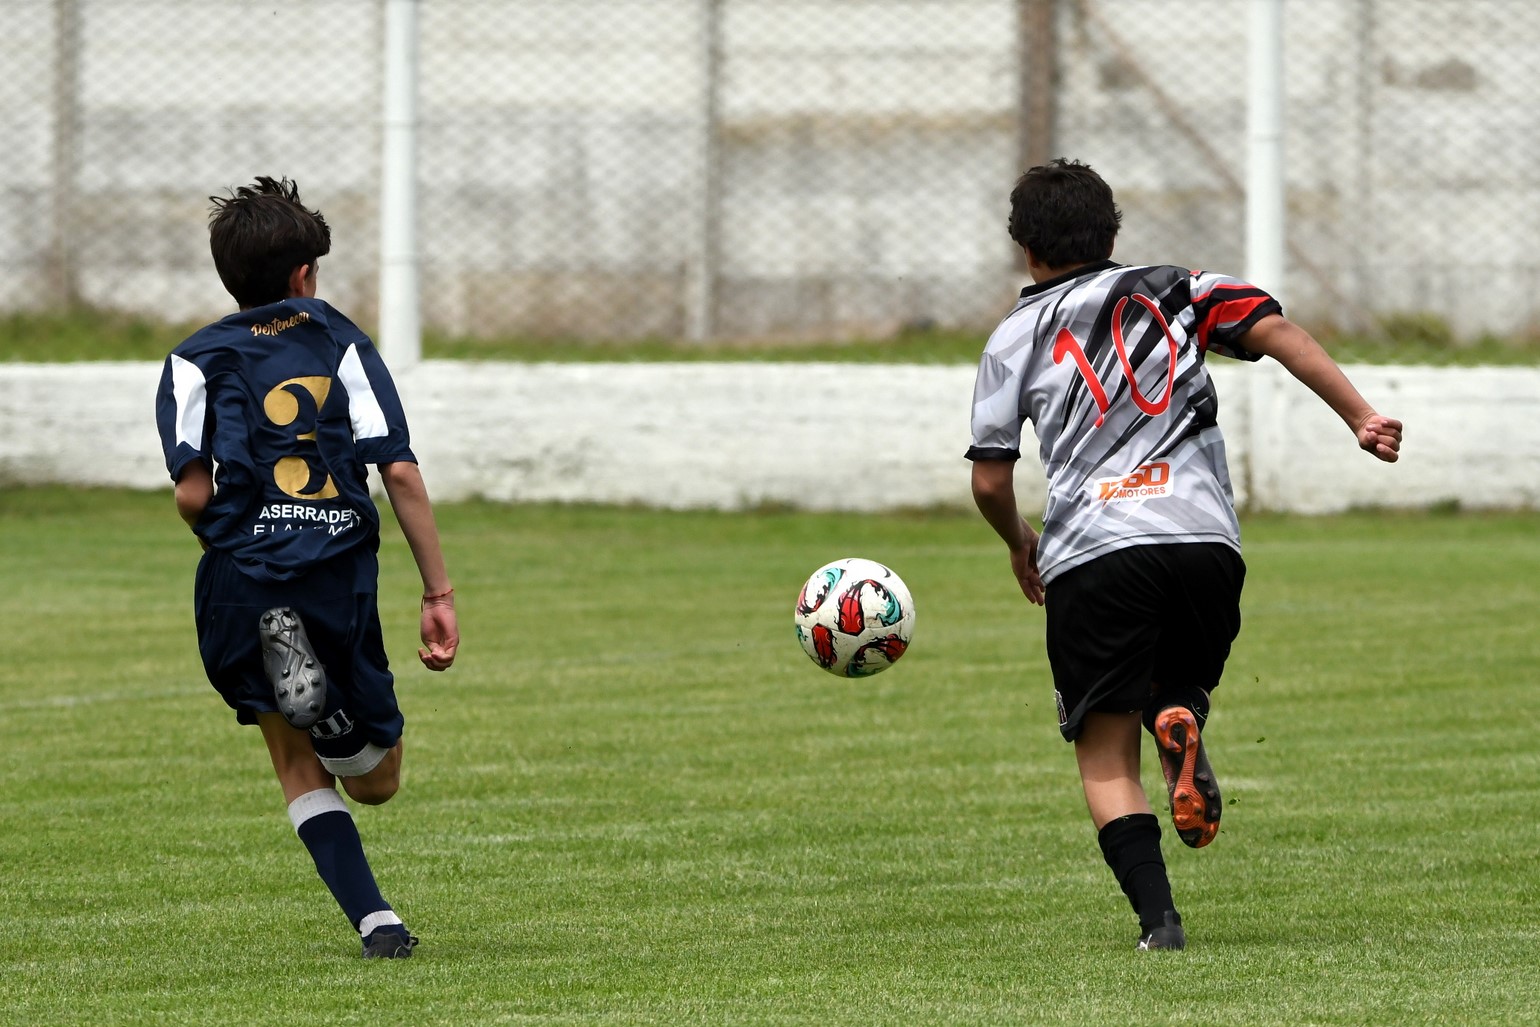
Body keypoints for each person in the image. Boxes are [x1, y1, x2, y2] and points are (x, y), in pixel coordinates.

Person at [966, 159, 1402, 951]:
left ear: (1025, 249)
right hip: (1204, 542)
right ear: (1112, 233)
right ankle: (1180, 710)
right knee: (1176, 680)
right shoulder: (1179, 287)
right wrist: (1360, 416)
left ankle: (1159, 923)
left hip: (1093, 552)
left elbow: (991, 479)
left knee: (1106, 756)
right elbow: (1277, 332)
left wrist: (1020, 541)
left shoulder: (1013, 337)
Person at [154, 176, 459, 959]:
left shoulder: (192, 360)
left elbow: (192, 495)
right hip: (334, 575)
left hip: (241, 583)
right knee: (377, 779)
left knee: (294, 762)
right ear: (303, 276)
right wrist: (438, 589)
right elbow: (398, 470)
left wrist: (230, 544)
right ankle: (331, 717)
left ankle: (377, 922)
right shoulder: (339, 339)